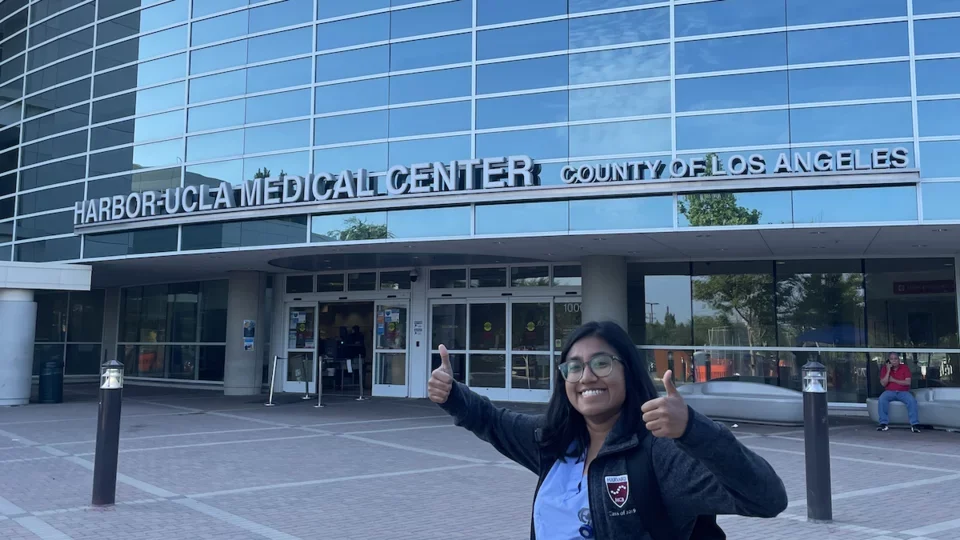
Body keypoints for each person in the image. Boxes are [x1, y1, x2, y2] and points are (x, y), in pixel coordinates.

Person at [428, 320, 787, 539]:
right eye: (573, 367)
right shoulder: (554, 442)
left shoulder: (661, 454)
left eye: (601, 363)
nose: (586, 377)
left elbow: (767, 498)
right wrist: (453, 395)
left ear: (628, 370)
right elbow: (492, 421)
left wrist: (693, 429)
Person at [877, 352, 921, 433]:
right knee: (882, 398)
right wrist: (888, 370)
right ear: (889, 361)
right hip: (889, 392)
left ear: (899, 359)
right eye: (891, 359)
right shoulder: (885, 368)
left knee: (911, 400)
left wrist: (893, 380)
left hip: (903, 392)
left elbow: (907, 382)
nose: (894, 361)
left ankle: (914, 424)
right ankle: (883, 423)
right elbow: (883, 383)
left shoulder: (904, 368)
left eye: (895, 359)